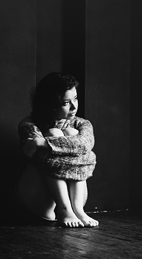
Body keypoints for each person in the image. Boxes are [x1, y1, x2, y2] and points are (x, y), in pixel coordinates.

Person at [17, 72, 99, 228]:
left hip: (76, 200)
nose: (74, 107)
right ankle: (64, 208)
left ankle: (77, 210)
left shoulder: (82, 124)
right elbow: (39, 158)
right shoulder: (29, 125)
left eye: (75, 98)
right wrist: (53, 142)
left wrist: (44, 142)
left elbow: (85, 145)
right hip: (37, 196)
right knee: (54, 133)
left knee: (71, 133)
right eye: (66, 102)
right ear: (51, 104)